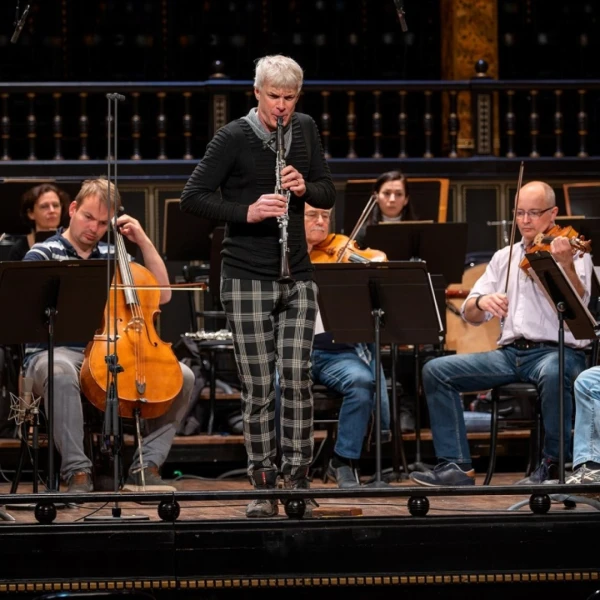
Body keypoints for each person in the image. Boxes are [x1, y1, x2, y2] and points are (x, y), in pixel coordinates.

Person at [180, 54, 336, 517]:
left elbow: (327, 191)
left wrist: (305, 188)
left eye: (289, 98)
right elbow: (193, 197)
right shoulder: (233, 137)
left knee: (298, 379)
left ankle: (298, 480)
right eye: (274, 97)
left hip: (297, 273)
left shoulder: (304, 129)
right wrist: (246, 212)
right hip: (246, 275)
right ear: (257, 93)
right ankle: (263, 485)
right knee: (258, 387)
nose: (282, 106)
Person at [409, 181, 593, 487]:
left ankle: (554, 465)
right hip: (510, 355)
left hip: (558, 352)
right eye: (519, 213)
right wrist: (482, 301)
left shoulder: (572, 252)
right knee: (436, 370)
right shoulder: (503, 257)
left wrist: (563, 266)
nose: (525, 220)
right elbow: (469, 311)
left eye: (534, 213)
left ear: (553, 213)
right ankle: (456, 466)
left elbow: (579, 306)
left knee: (554, 370)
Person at [23, 178, 195, 493]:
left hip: (112, 350)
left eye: (103, 223)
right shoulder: (42, 254)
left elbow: (163, 294)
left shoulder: (115, 255)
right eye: (88, 217)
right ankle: (77, 471)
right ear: (73, 210)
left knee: (183, 377)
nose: (94, 228)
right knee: (59, 371)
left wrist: (142, 240)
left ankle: (146, 466)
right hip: (56, 351)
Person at [305, 203, 391, 488]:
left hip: (337, 352)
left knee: (362, 381)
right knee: (277, 385)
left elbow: (378, 259)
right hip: (294, 351)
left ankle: (343, 460)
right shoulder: (283, 256)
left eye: (325, 216)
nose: (320, 222)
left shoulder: (341, 250)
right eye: (312, 215)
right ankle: (286, 462)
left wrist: (357, 263)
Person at [354, 170, 417, 249]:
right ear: (376, 197)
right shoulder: (364, 232)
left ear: (406, 199)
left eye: (399, 194)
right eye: (387, 193)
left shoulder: (417, 232)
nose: (392, 199)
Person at [8, 183, 70, 261]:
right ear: (31, 213)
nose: (52, 210)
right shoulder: (19, 248)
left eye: (55, 205)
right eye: (44, 206)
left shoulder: (72, 241)